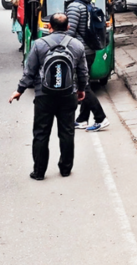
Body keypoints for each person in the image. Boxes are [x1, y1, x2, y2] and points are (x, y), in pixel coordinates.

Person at [9, 12, 89, 180]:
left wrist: (20, 90)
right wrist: (81, 89)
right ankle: (66, 169)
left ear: (49, 27)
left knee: (41, 133)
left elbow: (29, 71)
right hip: (68, 94)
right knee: (67, 132)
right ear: (68, 27)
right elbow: (83, 72)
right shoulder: (77, 45)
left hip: (43, 95)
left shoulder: (39, 44)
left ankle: (39, 172)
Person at [64, 0, 110, 132]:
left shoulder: (74, 7)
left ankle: (101, 118)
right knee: (85, 82)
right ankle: (82, 119)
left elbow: (69, 32)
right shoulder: (88, 3)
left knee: (82, 85)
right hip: (90, 49)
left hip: (79, 50)